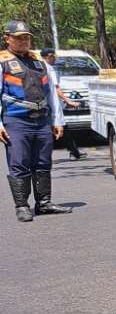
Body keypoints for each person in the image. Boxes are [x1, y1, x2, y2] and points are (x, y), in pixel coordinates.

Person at [1, 21, 72, 222]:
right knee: (19, 163)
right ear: (8, 38)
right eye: (19, 37)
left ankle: (43, 203)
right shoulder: (3, 61)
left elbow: (51, 94)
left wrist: (58, 121)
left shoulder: (39, 62)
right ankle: (22, 206)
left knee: (43, 162)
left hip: (41, 121)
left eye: (27, 37)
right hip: (15, 120)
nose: (24, 41)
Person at [40, 48, 85, 160]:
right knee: (58, 129)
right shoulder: (49, 69)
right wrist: (68, 100)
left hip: (48, 105)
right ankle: (73, 152)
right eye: (52, 56)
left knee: (62, 129)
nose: (54, 58)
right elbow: (56, 89)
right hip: (51, 106)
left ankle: (74, 152)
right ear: (46, 57)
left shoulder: (42, 68)